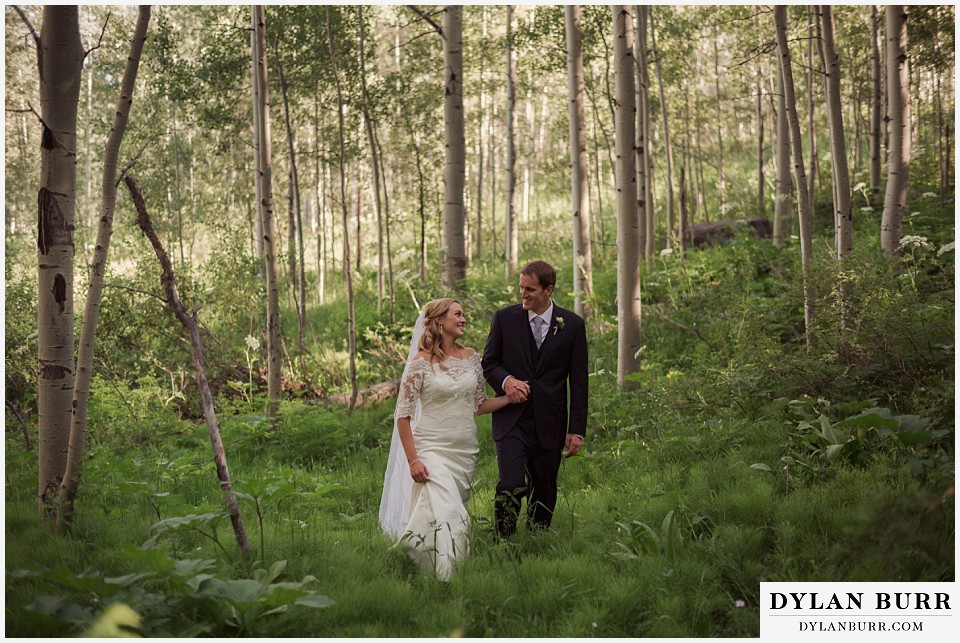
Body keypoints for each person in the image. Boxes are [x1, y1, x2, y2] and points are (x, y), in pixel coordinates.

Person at [379, 298, 516, 581]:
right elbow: (402, 416)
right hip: (430, 448)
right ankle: (450, 576)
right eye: (458, 314)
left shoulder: (471, 358)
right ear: (440, 320)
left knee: (434, 514)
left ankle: (412, 554)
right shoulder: (419, 364)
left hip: (464, 451)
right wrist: (413, 460)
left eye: (463, 314)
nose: (464, 319)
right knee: (454, 514)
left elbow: (478, 405)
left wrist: (508, 398)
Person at [481, 260, 588, 538]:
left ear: (548, 290)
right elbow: (489, 363)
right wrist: (507, 381)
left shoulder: (573, 325)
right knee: (511, 483)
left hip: (550, 422)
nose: (523, 294)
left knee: (545, 486)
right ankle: (503, 541)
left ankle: (537, 541)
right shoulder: (504, 319)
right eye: (520, 288)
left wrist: (576, 430)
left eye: (530, 289)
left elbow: (578, 382)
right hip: (511, 420)